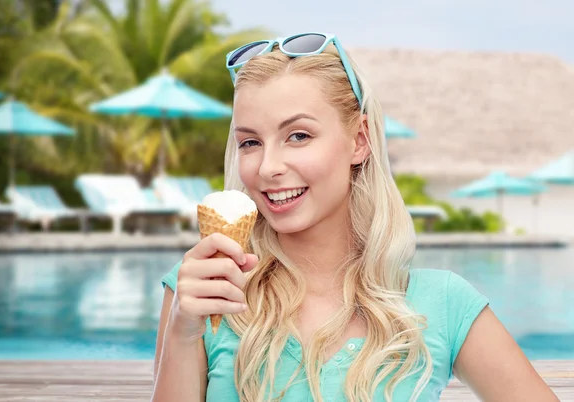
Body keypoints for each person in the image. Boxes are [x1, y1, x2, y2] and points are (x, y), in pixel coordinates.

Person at [151, 33, 558, 402]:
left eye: (299, 136)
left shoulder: (444, 303)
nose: (267, 167)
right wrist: (184, 332)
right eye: (251, 142)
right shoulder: (202, 291)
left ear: (359, 141)